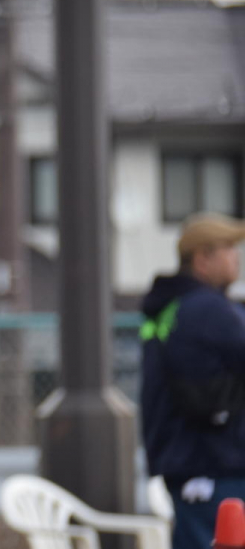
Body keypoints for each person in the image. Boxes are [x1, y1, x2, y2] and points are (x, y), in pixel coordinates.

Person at [140, 211, 245, 548]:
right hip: (214, 464)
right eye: (228, 248)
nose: (236, 257)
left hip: (185, 464)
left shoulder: (171, 308)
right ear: (202, 259)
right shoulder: (207, 308)